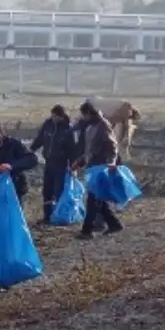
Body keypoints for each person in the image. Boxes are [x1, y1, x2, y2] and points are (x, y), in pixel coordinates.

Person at [73, 102, 123, 240]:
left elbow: (112, 146)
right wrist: (80, 162)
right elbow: (90, 149)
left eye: (84, 114)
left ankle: (87, 231)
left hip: (101, 167)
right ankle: (114, 224)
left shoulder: (103, 125)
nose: (83, 118)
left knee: (93, 199)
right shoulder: (91, 126)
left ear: (89, 113)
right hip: (93, 166)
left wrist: (111, 163)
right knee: (98, 199)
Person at [29, 105, 79, 225]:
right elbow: (39, 139)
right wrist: (30, 150)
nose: (53, 118)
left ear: (62, 116)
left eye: (56, 116)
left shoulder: (68, 129)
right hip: (49, 163)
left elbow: (73, 149)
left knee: (59, 191)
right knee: (47, 190)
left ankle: (60, 216)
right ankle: (48, 216)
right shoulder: (48, 125)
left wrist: (74, 166)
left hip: (61, 165)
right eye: (52, 116)